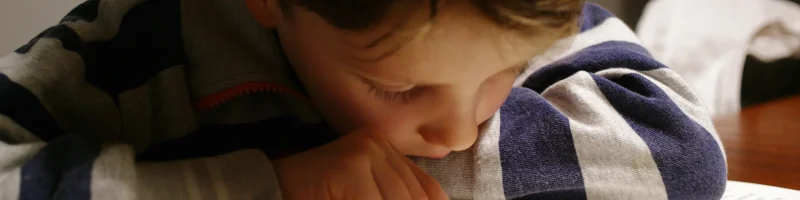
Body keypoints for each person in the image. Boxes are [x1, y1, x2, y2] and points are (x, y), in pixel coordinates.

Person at [0, 0, 726, 199]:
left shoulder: (510, 11)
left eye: (503, 74)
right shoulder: (121, 50)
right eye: (400, 87)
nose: (460, 131)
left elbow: (680, 151)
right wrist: (275, 184)